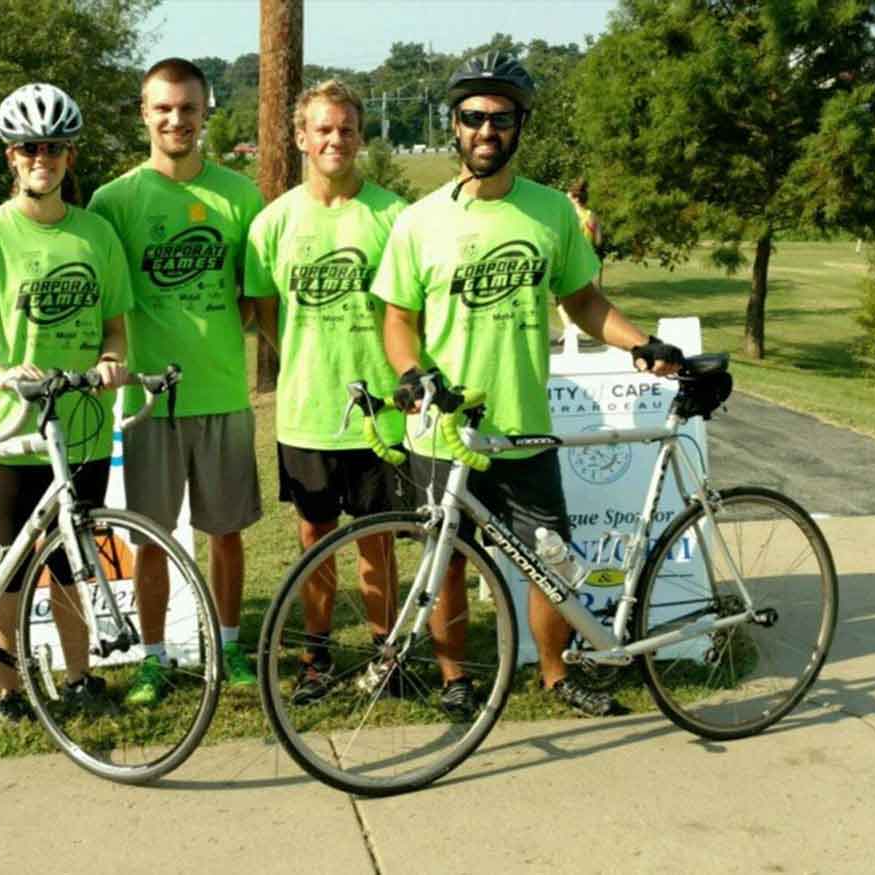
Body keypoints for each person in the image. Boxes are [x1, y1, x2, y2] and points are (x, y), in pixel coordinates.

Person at [371, 53, 683, 718]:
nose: (487, 129)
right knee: (447, 562)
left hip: (524, 424)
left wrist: (641, 344)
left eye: (501, 118)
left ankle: (553, 673)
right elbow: (397, 318)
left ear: (520, 126)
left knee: (551, 562)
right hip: (443, 428)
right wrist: (408, 371)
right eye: (473, 116)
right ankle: (456, 677)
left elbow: (584, 301)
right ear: (453, 125)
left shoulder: (549, 213)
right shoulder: (418, 221)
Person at [0, 84, 132, 722]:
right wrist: (1, 375)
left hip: (83, 426)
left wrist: (109, 364)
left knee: (75, 559)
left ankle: (80, 679)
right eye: (28, 148)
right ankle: (9, 692)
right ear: (10, 158)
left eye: (53, 147)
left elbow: (115, 331)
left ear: (70, 156)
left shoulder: (97, 234)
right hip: (14, 430)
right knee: (10, 571)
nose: (40, 157)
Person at [87, 58, 266, 704]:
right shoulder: (113, 202)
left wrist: (212, 333)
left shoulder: (240, 196)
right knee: (151, 539)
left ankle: (231, 645)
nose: (176, 119)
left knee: (226, 532)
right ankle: (154, 659)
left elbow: (251, 297)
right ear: (144, 113)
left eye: (188, 108)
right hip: (146, 399)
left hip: (221, 391)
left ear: (205, 113)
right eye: (163, 108)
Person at [246, 79, 408, 703]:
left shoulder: (393, 215)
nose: (334, 138)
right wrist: (307, 358)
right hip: (308, 411)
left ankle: (384, 654)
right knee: (314, 537)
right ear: (300, 138)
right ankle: (317, 657)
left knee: (378, 538)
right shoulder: (274, 222)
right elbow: (263, 309)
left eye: (345, 127)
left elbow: (409, 308)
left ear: (360, 135)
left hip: (381, 412)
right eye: (322, 128)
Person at [567, 177, 603, 294]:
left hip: (573, 264)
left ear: (575, 198)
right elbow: (598, 241)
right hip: (590, 262)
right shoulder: (593, 216)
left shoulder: (569, 216)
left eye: (568, 197)